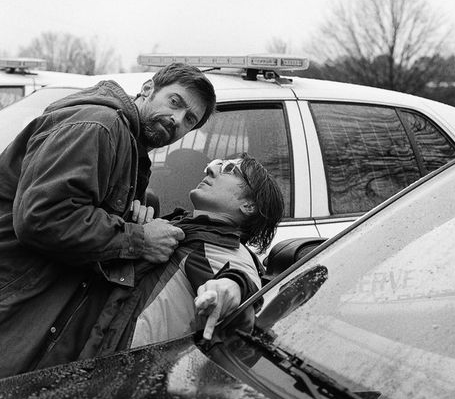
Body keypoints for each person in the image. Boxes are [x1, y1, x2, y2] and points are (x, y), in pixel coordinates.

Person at [0, 62, 217, 399]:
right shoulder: (99, 126)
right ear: (147, 90)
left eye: (190, 120)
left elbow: (75, 209)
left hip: (5, 307)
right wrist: (138, 239)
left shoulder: (127, 142)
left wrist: (127, 219)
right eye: (175, 102)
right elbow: (43, 217)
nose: (177, 120)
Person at [31, 153, 285, 369]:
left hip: (127, 380)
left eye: (229, 169)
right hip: (99, 367)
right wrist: (136, 231)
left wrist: (233, 287)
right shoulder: (186, 230)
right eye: (217, 161)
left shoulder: (222, 247)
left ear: (249, 205)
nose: (211, 167)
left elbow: (240, 283)